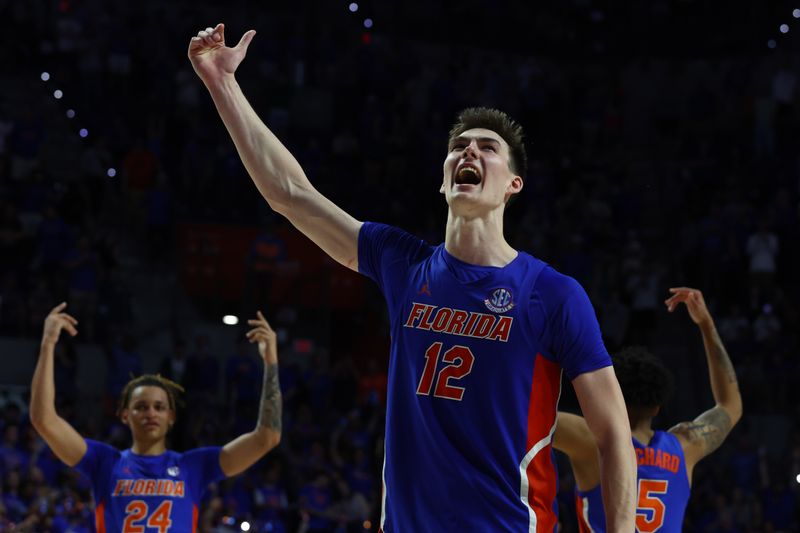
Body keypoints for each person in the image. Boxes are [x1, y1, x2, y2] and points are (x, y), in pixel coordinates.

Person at [188, 23, 636, 531]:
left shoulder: (553, 294)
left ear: (514, 184)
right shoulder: (403, 264)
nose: (469, 152)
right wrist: (222, 84)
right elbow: (290, 195)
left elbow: (615, 435)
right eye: (459, 146)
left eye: (487, 148)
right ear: (442, 179)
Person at [29, 303, 282, 531]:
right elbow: (44, 420)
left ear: (171, 417)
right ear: (125, 415)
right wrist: (48, 344)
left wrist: (271, 363)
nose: (151, 413)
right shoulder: (103, 462)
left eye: (159, 407)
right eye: (141, 407)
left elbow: (267, 437)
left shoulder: (194, 466)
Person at [553, 287, 743, 532]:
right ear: (657, 407)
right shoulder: (684, 447)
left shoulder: (591, 441)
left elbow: (518, 415)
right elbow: (731, 405)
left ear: (613, 396)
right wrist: (706, 325)